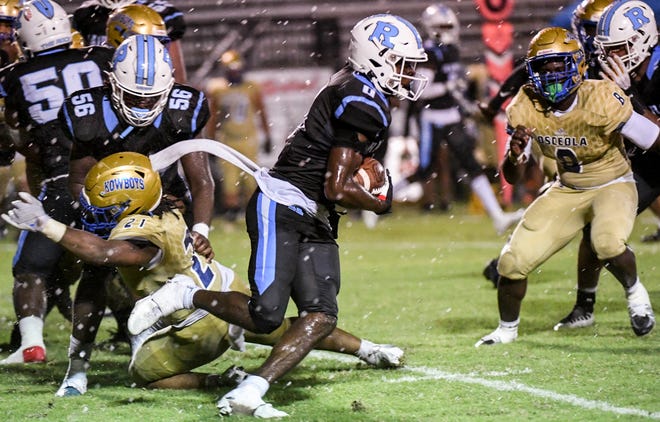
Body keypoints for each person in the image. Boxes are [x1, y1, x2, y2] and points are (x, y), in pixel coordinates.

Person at [127, 14, 428, 417]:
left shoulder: (355, 85)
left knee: (320, 315)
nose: (409, 75)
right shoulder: (363, 99)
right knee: (265, 315)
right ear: (376, 58)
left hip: (315, 215)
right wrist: (383, 201)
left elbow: (333, 187)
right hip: (282, 205)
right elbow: (337, 187)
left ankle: (252, 388)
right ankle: (184, 294)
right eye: (403, 64)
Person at [1, 151, 404, 395]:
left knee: (143, 373)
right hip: (229, 296)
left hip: (197, 325)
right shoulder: (172, 209)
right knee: (290, 327)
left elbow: (106, 252)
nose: (93, 212)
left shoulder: (140, 231)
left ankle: (220, 381)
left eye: (102, 205)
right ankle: (370, 349)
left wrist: (46, 226)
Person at [475, 27, 659, 347]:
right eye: (543, 68)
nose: (551, 74)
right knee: (512, 262)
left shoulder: (601, 96)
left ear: (576, 65)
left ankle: (635, 293)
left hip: (612, 182)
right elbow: (512, 177)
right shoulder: (525, 105)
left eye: (558, 65)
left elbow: (653, 140)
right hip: (566, 187)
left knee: (607, 243)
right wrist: (515, 154)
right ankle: (506, 330)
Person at [55, 34, 214, 392]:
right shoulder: (90, 112)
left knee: (163, 279)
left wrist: (202, 227)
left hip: (166, 200)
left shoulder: (182, 109)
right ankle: (77, 366)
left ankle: (148, 347)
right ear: (113, 82)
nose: (142, 103)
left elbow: (201, 181)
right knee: (95, 274)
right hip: (106, 202)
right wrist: (93, 209)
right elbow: (78, 179)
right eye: (133, 95)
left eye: (151, 97)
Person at [0, 0, 113, 364]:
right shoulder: (100, 58)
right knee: (119, 262)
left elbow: (13, 132)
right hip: (114, 178)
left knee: (31, 268)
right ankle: (142, 334)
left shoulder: (13, 77)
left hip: (62, 181)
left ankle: (31, 344)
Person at [480, 0, 614, 287]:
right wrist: (494, 104)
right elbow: (524, 74)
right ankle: (516, 252)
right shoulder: (572, 55)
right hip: (568, 137)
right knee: (556, 194)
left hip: (609, 139)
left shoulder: (620, 54)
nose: (598, 38)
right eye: (592, 30)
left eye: (602, 30)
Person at [555, 0, 660, 332]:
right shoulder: (621, 68)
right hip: (650, 163)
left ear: (642, 40)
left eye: (618, 48)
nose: (611, 57)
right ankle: (585, 307)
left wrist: (631, 97)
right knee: (597, 227)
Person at [403, 3, 523, 235]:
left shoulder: (450, 50)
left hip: (451, 115)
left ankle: (497, 216)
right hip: (431, 117)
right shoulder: (429, 52)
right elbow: (421, 91)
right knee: (424, 171)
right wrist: (448, 85)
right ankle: (376, 198)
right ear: (430, 27)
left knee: (471, 165)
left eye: (449, 25)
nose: (447, 30)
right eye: (442, 26)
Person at [205, 49, 272, 221]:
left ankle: (251, 213)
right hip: (228, 141)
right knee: (230, 181)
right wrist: (211, 140)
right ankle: (232, 215)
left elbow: (261, 111)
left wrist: (267, 135)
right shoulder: (217, 89)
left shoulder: (251, 87)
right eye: (231, 67)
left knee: (251, 180)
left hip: (249, 139)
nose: (234, 71)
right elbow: (213, 117)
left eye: (236, 67)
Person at [73, 0, 188, 82]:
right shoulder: (86, 13)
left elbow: (174, 73)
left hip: (146, 83)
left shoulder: (159, 12)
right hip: (102, 84)